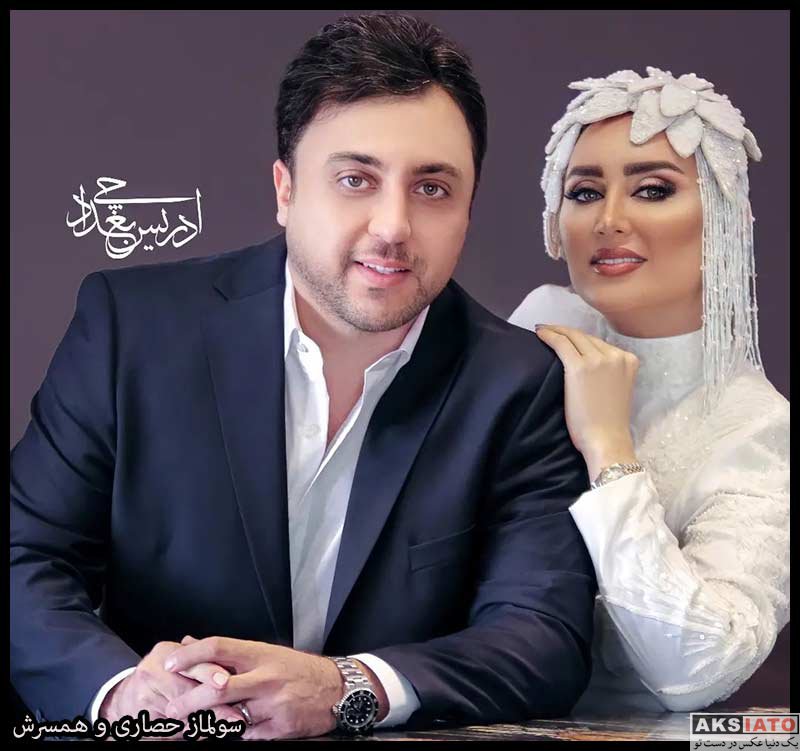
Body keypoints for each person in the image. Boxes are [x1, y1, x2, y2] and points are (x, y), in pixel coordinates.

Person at [10, 13, 597, 740]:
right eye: (355, 179)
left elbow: (542, 635)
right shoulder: (134, 329)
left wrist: (346, 686)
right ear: (285, 190)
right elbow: (24, 553)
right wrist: (121, 693)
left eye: (432, 188)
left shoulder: (517, 383)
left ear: (468, 211)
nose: (393, 225)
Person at [509, 67, 789, 713]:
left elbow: (696, 670)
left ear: (722, 214)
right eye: (584, 192)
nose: (609, 220)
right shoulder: (539, 329)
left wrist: (610, 448)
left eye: (653, 190)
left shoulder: (758, 430)